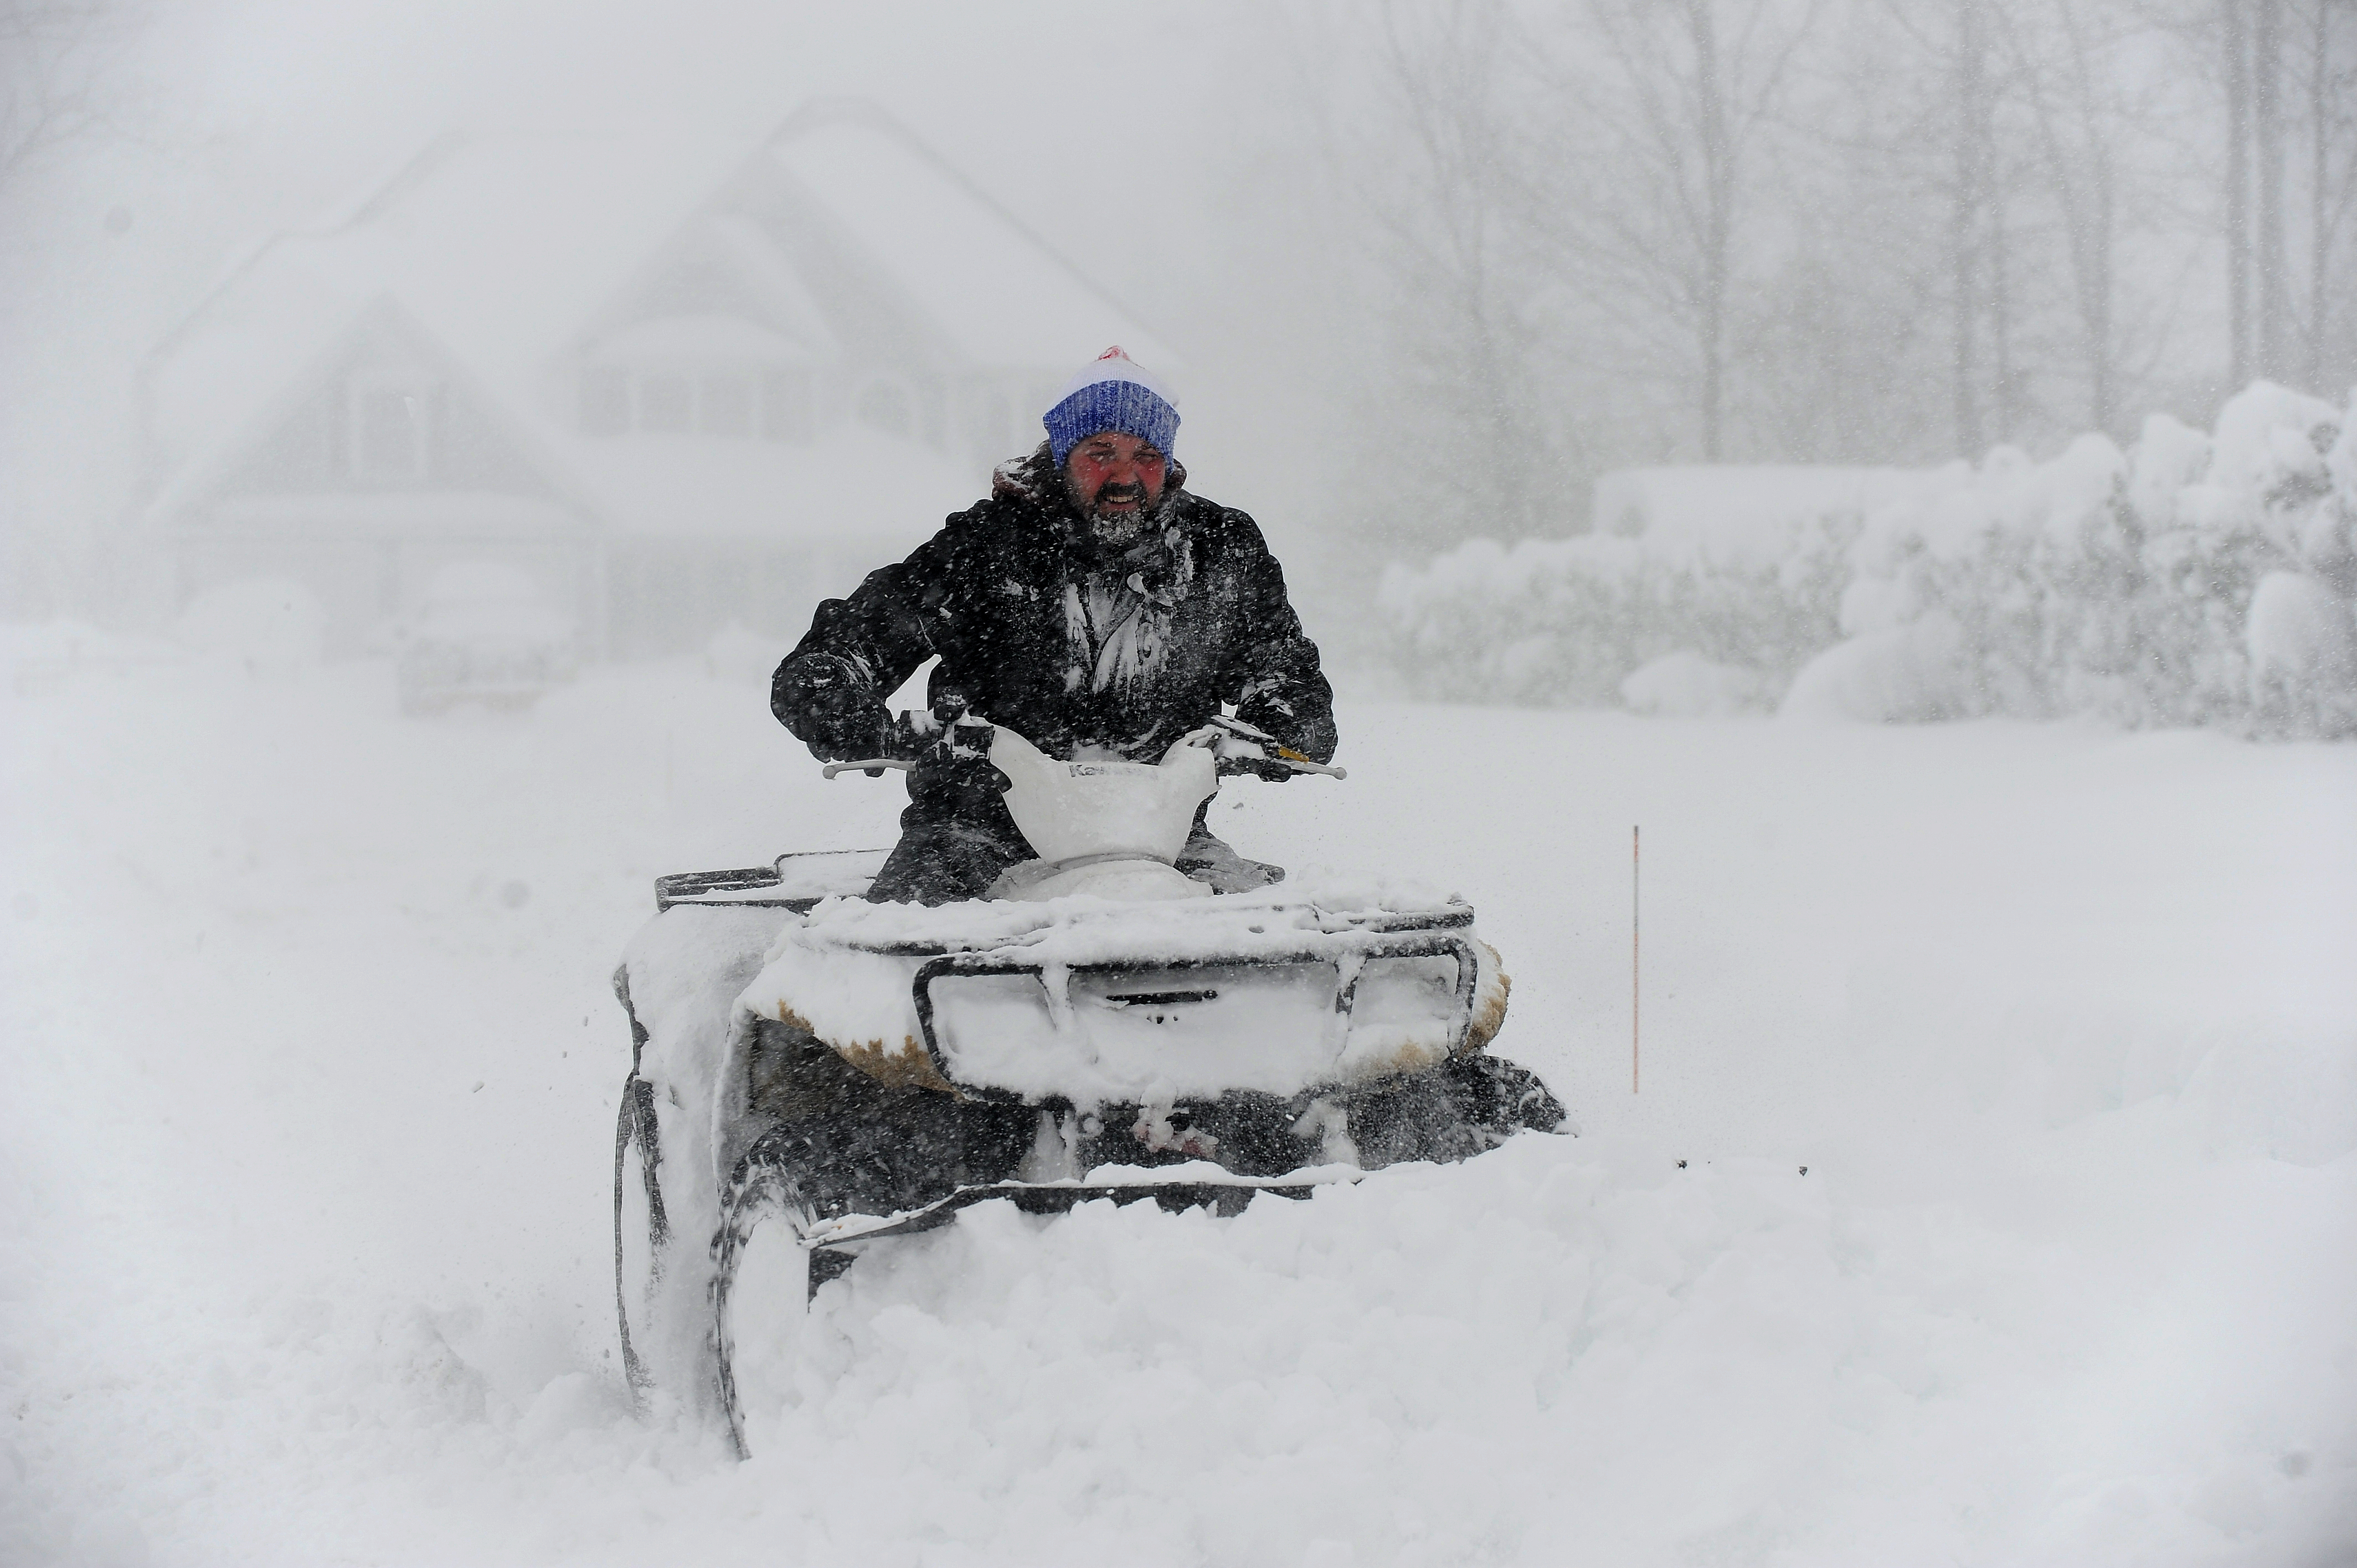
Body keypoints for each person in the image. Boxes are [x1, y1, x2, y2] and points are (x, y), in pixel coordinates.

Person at [771, 347, 1337, 904]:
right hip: (977, 829)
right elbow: (838, 654)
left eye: (1146, 455)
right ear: (1062, 456)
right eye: (1101, 452)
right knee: (900, 940)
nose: (1125, 476)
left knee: (1265, 932)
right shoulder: (985, 548)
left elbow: (1284, 674)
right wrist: (852, 716)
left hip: (1160, 838)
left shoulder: (1218, 549)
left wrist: (1285, 724)